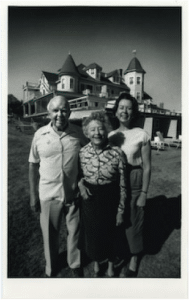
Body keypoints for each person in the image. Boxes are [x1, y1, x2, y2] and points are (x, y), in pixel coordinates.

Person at [28, 95, 87, 278]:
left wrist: (83, 180)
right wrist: (33, 194)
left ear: (69, 112)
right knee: (49, 234)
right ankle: (51, 267)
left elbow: (88, 155)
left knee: (74, 233)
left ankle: (74, 263)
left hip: (72, 194)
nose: (60, 114)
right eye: (55, 110)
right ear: (49, 113)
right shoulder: (39, 135)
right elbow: (33, 164)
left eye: (63, 110)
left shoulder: (78, 133)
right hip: (48, 195)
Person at [78, 111, 127, 277]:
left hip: (110, 199)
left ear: (106, 130)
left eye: (100, 129)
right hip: (90, 200)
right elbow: (78, 176)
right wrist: (81, 186)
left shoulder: (117, 153)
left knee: (112, 234)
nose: (97, 133)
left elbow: (123, 183)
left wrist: (121, 210)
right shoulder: (82, 152)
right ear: (86, 132)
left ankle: (112, 266)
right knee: (93, 236)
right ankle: (97, 263)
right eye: (92, 130)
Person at [109, 92, 151, 277]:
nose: (124, 111)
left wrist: (144, 193)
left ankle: (134, 257)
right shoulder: (110, 135)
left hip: (134, 179)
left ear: (133, 112)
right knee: (117, 221)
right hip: (115, 182)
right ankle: (119, 252)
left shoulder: (142, 134)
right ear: (116, 111)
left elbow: (148, 167)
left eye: (128, 108)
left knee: (134, 221)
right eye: (121, 107)